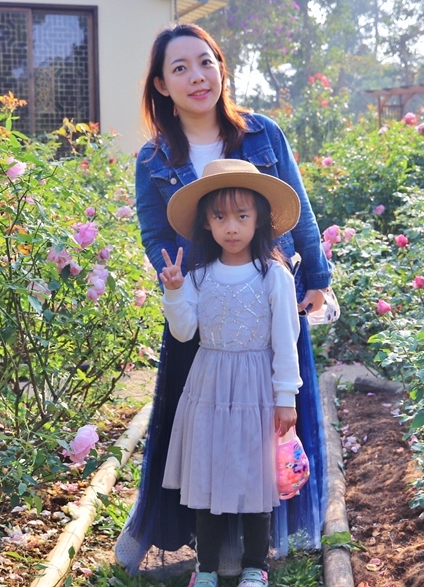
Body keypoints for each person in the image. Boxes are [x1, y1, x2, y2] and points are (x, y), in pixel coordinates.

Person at [116, 23, 330, 574]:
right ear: (161, 85)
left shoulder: (262, 134)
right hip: (203, 305)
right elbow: (156, 233)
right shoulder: (155, 157)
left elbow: (298, 210)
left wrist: (317, 275)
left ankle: (252, 543)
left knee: (270, 420)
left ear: (221, 67)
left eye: (205, 62)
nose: (196, 76)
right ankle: (193, 538)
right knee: (197, 427)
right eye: (179, 68)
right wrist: (184, 287)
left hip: (267, 295)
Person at [159, 158, 303, 587]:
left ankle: (255, 567)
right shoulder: (199, 275)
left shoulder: (272, 274)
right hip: (209, 382)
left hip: (256, 385)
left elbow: (285, 338)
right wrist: (174, 290)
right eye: (220, 217)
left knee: (254, 476)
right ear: (207, 223)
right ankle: (205, 570)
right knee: (206, 472)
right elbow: (184, 331)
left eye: (242, 216)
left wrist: (285, 397)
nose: (232, 227)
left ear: (258, 220)